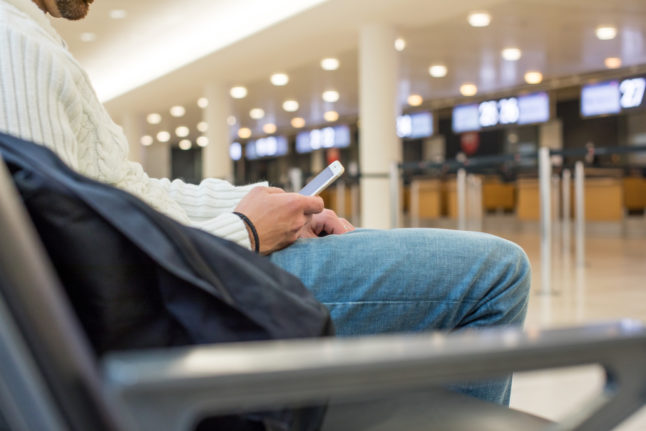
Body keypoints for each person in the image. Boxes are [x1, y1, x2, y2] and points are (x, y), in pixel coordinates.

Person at [0, 0, 531, 406]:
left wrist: (269, 205)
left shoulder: (28, 36)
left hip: (183, 274)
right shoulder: (13, 43)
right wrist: (244, 233)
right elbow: (58, 259)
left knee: (370, 243)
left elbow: (132, 192)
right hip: (178, 301)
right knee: (496, 272)